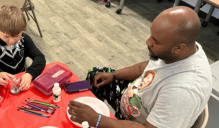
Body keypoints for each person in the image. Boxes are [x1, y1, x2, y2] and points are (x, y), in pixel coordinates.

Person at [68, 6, 212, 128]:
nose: (148, 42)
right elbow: (147, 67)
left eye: (155, 41)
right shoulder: (184, 49)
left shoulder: (183, 91)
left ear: (179, 48)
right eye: (151, 34)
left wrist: (97, 120)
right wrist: (114, 75)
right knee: (96, 75)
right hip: (136, 99)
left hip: (139, 123)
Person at [0, 4, 46, 90]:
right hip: (1, 87)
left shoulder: (24, 38)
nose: (11, 40)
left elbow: (39, 57)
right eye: (6, 36)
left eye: (16, 35)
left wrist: (29, 74)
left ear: (22, 30)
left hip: (22, 83)